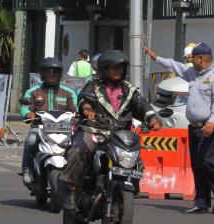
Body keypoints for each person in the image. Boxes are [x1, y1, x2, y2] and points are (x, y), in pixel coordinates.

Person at [60, 50, 162, 212]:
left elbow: (142, 105)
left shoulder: (129, 90)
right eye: (113, 67)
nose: (117, 70)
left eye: (120, 67)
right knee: (80, 149)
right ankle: (71, 192)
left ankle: (129, 187)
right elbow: (83, 98)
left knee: (136, 158)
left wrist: (152, 119)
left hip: (120, 136)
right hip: (94, 131)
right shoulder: (93, 86)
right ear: (104, 69)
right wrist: (86, 108)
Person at [144, 43, 214, 214]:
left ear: (200, 59)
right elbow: (174, 66)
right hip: (196, 127)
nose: (190, 61)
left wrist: (212, 122)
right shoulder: (193, 73)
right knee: (198, 165)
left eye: (193, 58)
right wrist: (155, 57)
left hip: (211, 126)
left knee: (207, 162)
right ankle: (202, 202)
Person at [20, 57, 78, 185]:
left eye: (55, 71)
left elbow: (76, 109)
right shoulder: (34, 91)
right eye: (48, 71)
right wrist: (28, 113)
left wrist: (78, 115)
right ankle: (27, 169)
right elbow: (24, 107)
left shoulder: (69, 93)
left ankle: (76, 174)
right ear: (42, 74)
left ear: (60, 74)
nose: (52, 74)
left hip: (64, 129)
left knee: (77, 145)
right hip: (40, 127)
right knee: (31, 140)